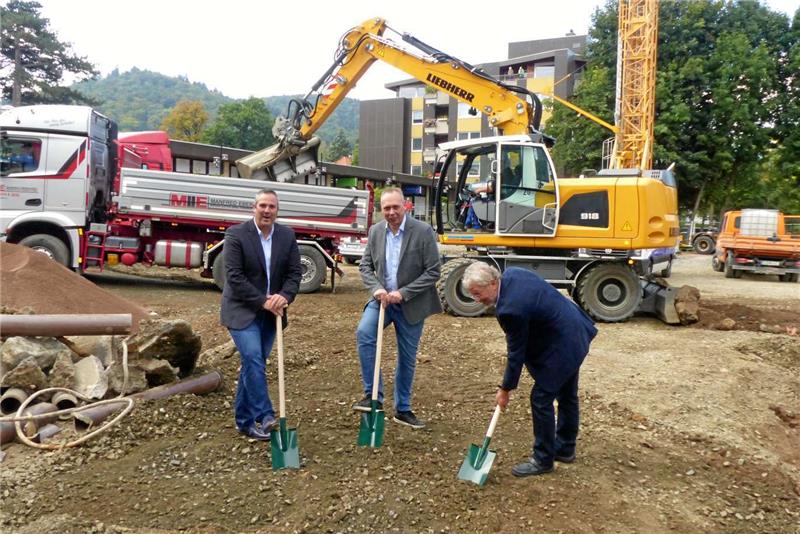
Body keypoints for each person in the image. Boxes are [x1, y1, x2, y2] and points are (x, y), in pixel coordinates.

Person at [462, 263, 597, 476]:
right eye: (472, 296)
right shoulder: (515, 274)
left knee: (541, 399)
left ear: (493, 283)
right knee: (567, 394)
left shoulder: (509, 309)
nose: (477, 300)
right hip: (575, 332)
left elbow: (516, 352)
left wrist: (505, 389)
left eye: (478, 294)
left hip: (563, 344)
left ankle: (543, 459)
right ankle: (565, 448)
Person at [353, 187, 442, 429]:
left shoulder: (422, 232)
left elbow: (433, 271)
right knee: (364, 333)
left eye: (396, 207)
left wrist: (403, 293)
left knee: (407, 356)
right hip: (382, 300)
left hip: (411, 303)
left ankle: (402, 409)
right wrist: (377, 289)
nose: (391, 212)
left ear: (405, 206)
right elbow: (365, 266)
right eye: (386, 208)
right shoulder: (375, 232)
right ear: (381, 210)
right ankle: (374, 397)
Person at [220, 189, 302, 441]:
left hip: (271, 314)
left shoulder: (286, 236)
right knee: (254, 358)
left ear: (277, 210)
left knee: (252, 364)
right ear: (253, 208)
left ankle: (244, 422)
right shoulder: (236, 235)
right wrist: (262, 301)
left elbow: (294, 274)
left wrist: (285, 296)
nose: (267, 211)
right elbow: (233, 277)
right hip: (241, 310)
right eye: (262, 206)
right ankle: (265, 416)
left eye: (272, 207)